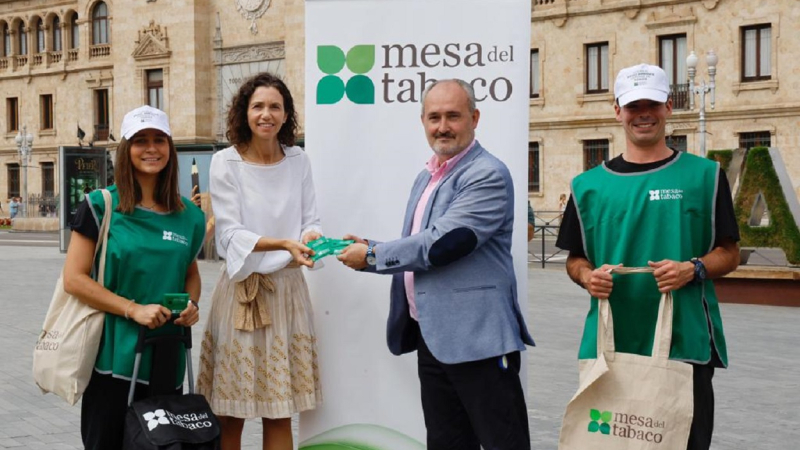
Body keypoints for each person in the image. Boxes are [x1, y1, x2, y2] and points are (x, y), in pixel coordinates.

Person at [337, 79, 534, 450]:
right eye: (434, 117)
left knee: (502, 443)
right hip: (434, 335)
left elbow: (444, 244)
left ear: (475, 118)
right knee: (446, 443)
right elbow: (424, 242)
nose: (442, 126)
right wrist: (369, 247)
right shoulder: (428, 175)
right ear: (423, 121)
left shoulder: (486, 174)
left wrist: (375, 257)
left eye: (453, 116)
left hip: (479, 340)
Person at [556, 63, 740, 450]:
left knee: (683, 442)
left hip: (684, 341)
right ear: (617, 110)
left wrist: (694, 268)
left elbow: (730, 252)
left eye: (653, 104)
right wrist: (588, 277)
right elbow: (575, 260)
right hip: (611, 341)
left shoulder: (705, 176)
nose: (643, 113)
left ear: (669, 107)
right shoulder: (586, 187)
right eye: (633, 105)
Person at [62, 105, 206, 450]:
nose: (151, 148)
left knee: (161, 445)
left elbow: (190, 273)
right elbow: (74, 279)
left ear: (171, 149)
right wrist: (132, 309)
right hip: (113, 358)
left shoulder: (190, 217)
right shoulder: (100, 206)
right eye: (140, 140)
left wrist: (192, 304)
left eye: (159, 139)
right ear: (126, 149)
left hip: (167, 357)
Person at [196, 72, 322, 450]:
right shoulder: (225, 163)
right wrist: (284, 243)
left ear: (286, 115)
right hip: (242, 293)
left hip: (288, 291)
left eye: (275, 107)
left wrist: (312, 239)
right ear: (244, 113)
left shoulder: (299, 159)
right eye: (258, 106)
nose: (266, 114)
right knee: (230, 411)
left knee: (279, 409)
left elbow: (311, 219)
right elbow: (230, 235)